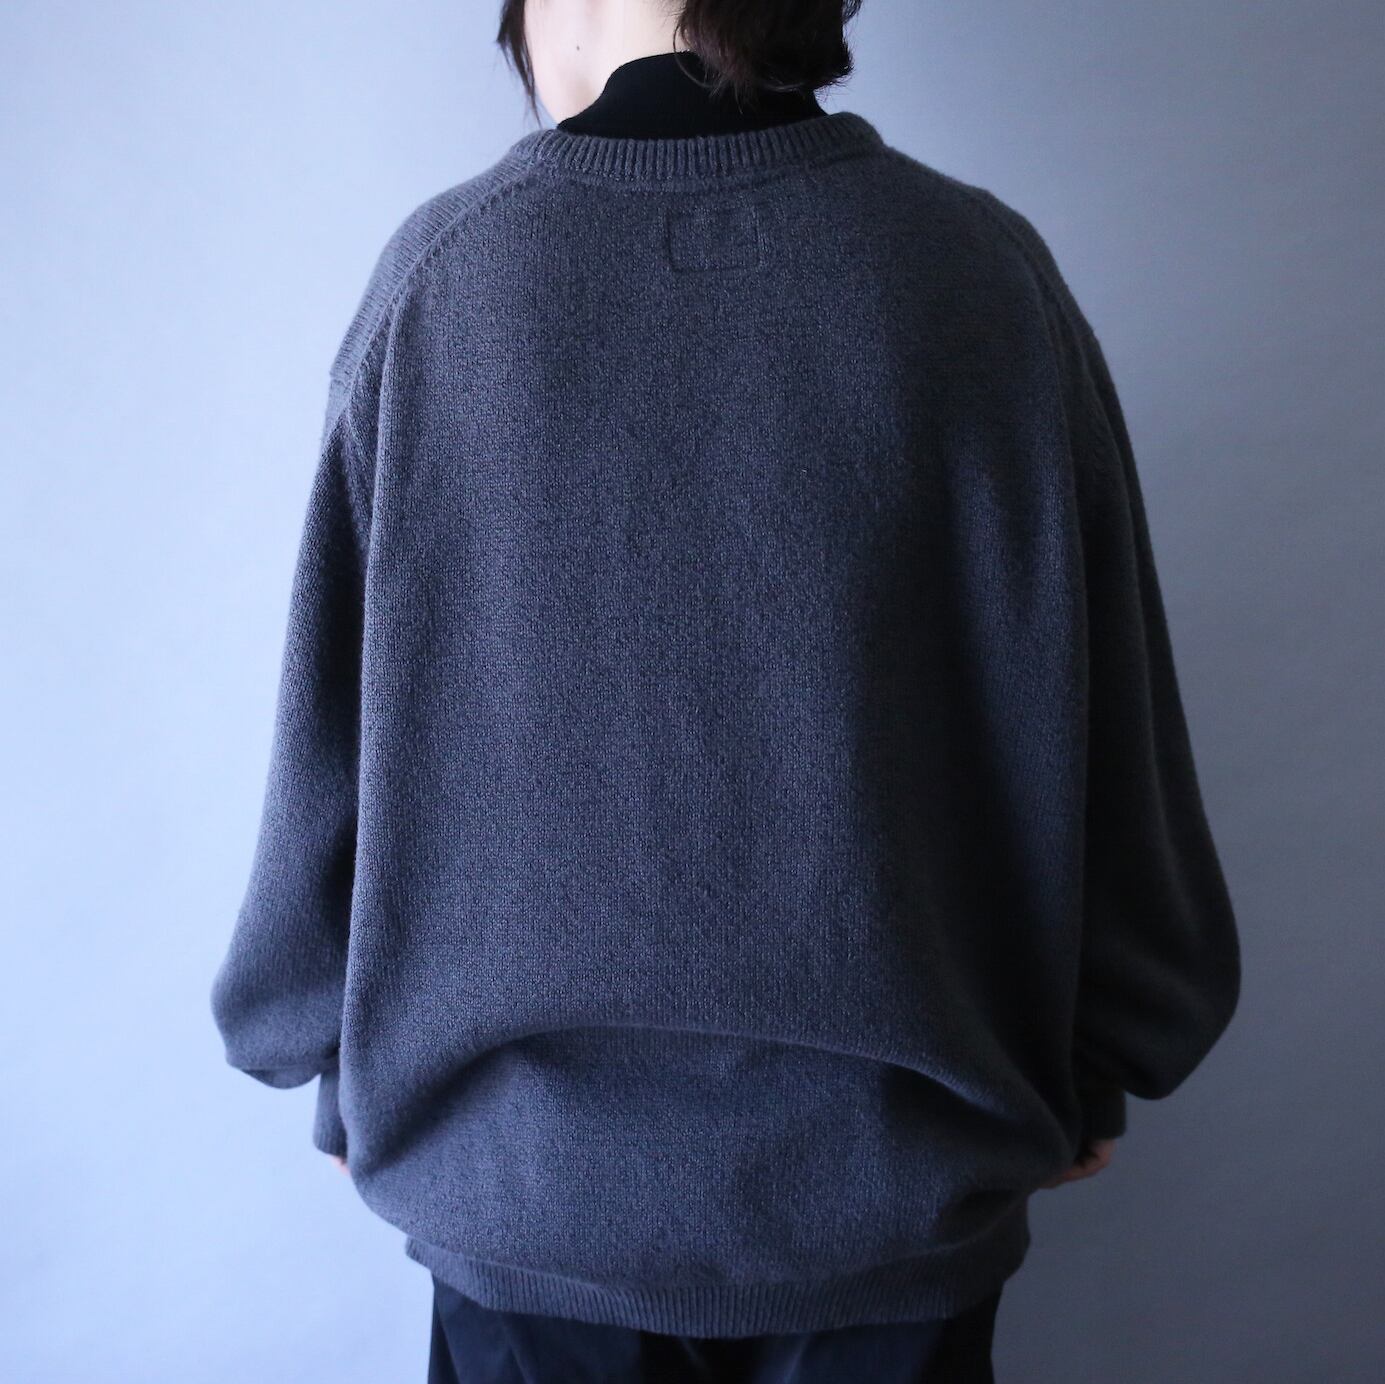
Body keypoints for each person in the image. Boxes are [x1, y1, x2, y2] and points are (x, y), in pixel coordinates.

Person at [209, 2, 1242, 1380]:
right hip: (896, 1176)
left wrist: (322, 1051)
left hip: (527, 1180)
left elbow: (333, 716)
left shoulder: (450, 275)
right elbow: (1097, 693)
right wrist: (1114, 1036)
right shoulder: (973, 270)